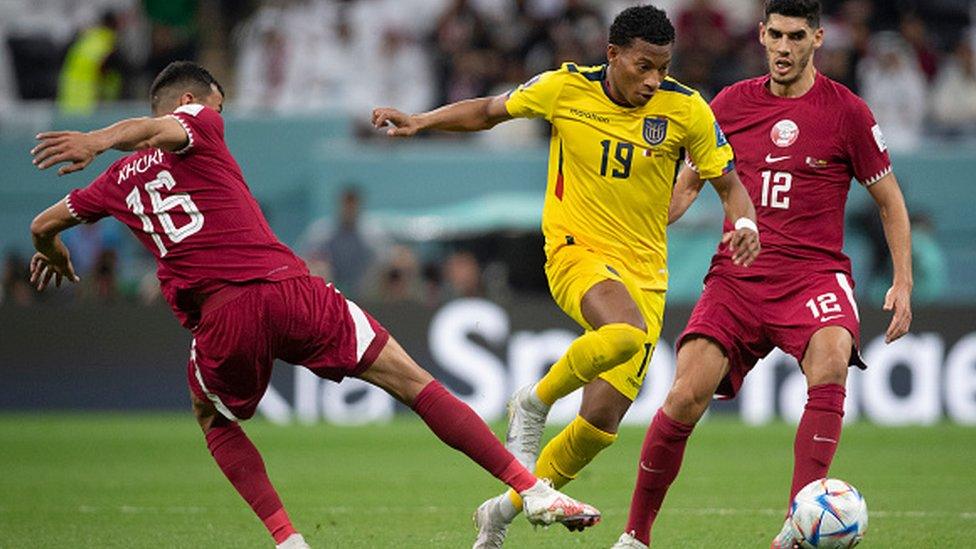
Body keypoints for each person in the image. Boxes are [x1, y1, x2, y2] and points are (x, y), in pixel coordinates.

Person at [27, 61, 601, 549]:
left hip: (224, 319)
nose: (218, 117)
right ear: (189, 102)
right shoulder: (197, 122)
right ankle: (531, 488)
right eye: (217, 107)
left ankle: (288, 539)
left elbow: (42, 223)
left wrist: (50, 250)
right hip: (291, 290)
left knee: (212, 417)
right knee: (411, 380)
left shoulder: (113, 185)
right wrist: (100, 137)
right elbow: (151, 128)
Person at [371, 6, 760, 547]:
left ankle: (499, 514)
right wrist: (421, 121)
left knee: (599, 426)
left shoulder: (687, 108)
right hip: (575, 252)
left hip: (645, 273)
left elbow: (728, 183)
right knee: (622, 334)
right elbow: (488, 110)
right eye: (643, 66)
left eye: (662, 68)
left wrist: (744, 221)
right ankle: (533, 401)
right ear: (613, 55)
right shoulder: (564, 88)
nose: (653, 80)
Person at [613, 2, 913, 548]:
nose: (783, 47)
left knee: (830, 359)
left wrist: (903, 283)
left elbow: (890, 202)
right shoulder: (729, 104)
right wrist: (637, 227)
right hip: (738, 277)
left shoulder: (848, 113)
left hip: (813, 276)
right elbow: (686, 186)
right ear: (760, 34)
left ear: (817, 38)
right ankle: (635, 535)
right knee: (684, 395)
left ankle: (796, 527)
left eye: (796, 36)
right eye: (774, 34)